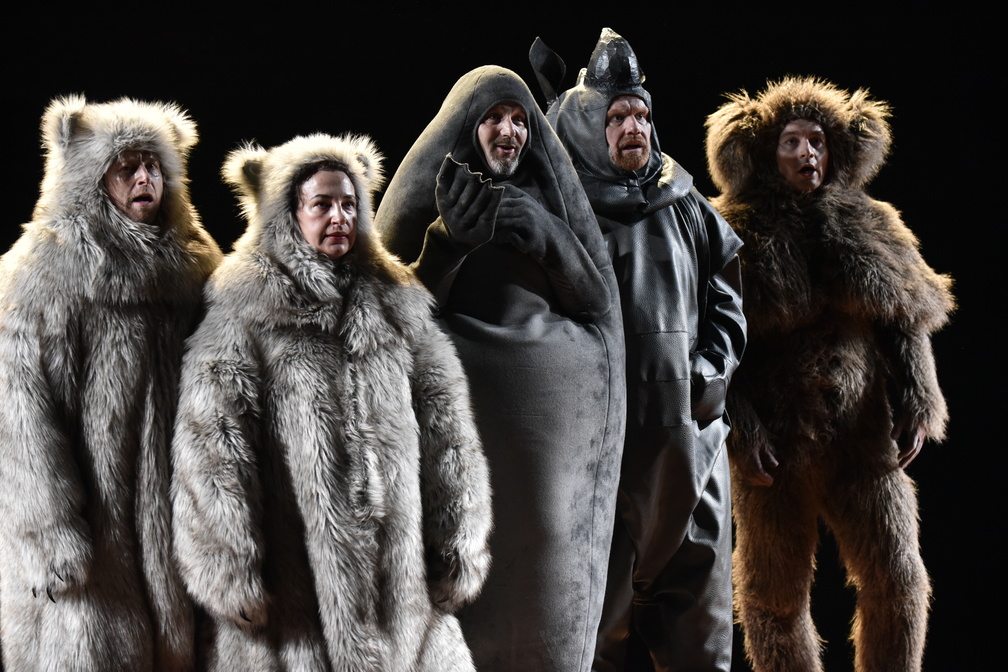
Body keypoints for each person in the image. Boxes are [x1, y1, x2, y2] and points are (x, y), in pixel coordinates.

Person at [170, 133, 492, 671]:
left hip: (401, 598)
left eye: (349, 203)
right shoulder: (243, 313)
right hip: (295, 608)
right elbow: (211, 444)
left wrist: (458, 537)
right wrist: (230, 567)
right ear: (288, 213)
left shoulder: (397, 301)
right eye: (322, 204)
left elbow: (447, 424)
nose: (339, 216)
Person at [375, 66, 626, 671]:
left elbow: (601, 311)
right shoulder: (438, 190)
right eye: (493, 118)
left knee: (546, 577)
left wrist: (545, 233)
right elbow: (384, 316)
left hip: (548, 446)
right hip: (461, 429)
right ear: (469, 128)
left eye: (519, 120)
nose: (509, 131)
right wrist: (447, 244)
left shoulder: (550, 194)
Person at [704, 76, 954, 672]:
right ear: (765, 150)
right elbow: (711, 348)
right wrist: (739, 428)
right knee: (772, 600)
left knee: (898, 581)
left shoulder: (871, 222)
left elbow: (907, 319)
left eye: (816, 140)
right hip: (774, 451)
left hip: (861, 443)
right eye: (792, 141)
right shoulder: (728, 232)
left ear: (838, 148)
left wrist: (922, 397)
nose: (807, 154)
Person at [537, 28, 747, 672]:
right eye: (618, 114)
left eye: (640, 114)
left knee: (700, 640)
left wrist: (710, 373)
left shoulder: (684, 202)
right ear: (592, 121)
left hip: (692, 447)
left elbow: (728, 296)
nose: (633, 126)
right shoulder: (564, 210)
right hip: (604, 459)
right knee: (594, 637)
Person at [0, 95, 222, 670]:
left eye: (154, 165)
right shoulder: (40, 271)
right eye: (127, 166)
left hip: (172, 530)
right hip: (89, 538)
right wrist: (50, 532)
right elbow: (16, 411)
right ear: (90, 176)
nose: (145, 177)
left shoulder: (193, 268)